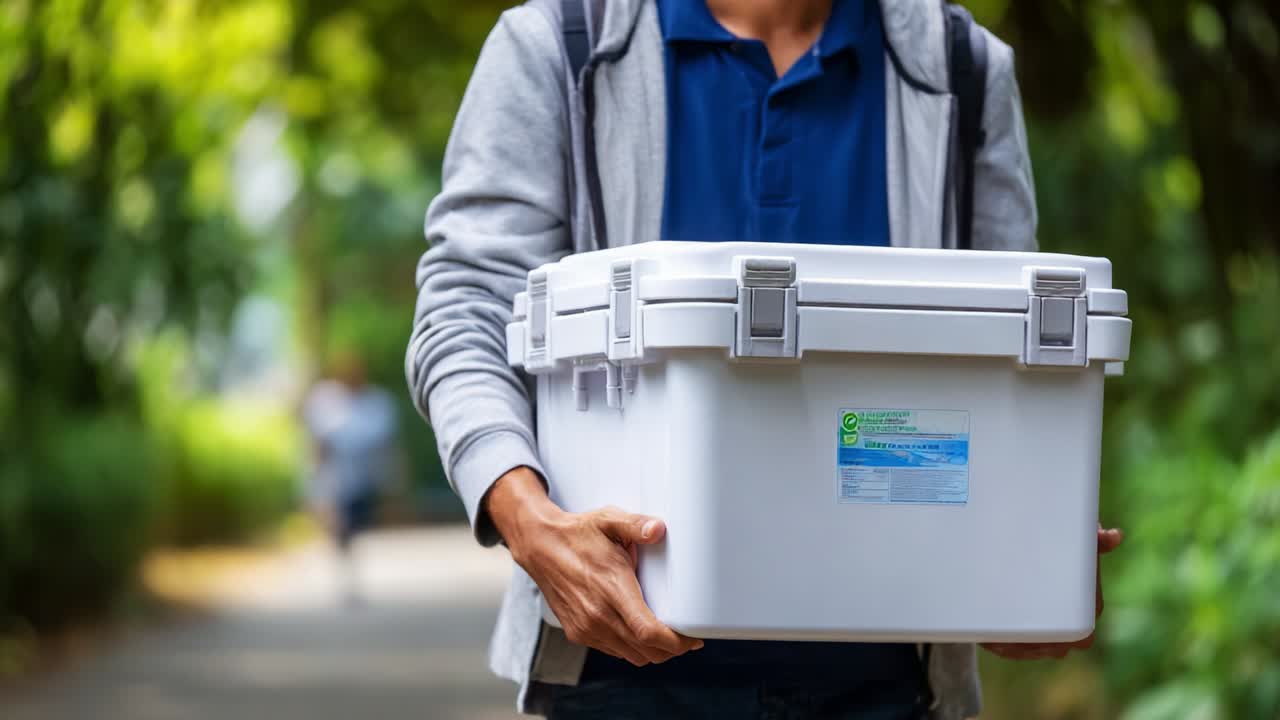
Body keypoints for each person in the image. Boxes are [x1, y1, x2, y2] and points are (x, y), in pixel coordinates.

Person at [406, 0, 1124, 717]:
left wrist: (1027, 544)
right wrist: (529, 521)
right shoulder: (561, 45)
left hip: (889, 687)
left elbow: (1012, 347)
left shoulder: (960, 67)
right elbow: (466, 309)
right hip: (618, 675)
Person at [303, 352, 398, 604]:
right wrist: (318, 486)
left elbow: (387, 447)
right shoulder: (324, 401)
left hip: (364, 480)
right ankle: (348, 580)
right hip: (336, 480)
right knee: (342, 530)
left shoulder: (377, 403)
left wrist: (392, 483)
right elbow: (317, 446)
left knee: (354, 530)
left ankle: (350, 577)